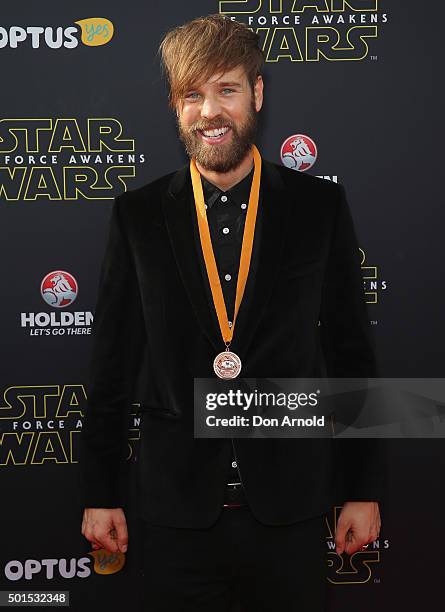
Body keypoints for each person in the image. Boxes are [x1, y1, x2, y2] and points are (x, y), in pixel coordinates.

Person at [79, 13, 383, 612]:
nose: (210, 111)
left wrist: (362, 488)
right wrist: (100, 491)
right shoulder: (138, 215)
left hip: (291, 508)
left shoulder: (318, 207)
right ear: (175, 104)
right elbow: (111, 361)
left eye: (227, 89)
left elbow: (350, 352)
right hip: (175, 513)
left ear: (257, 94)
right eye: (193, 94)